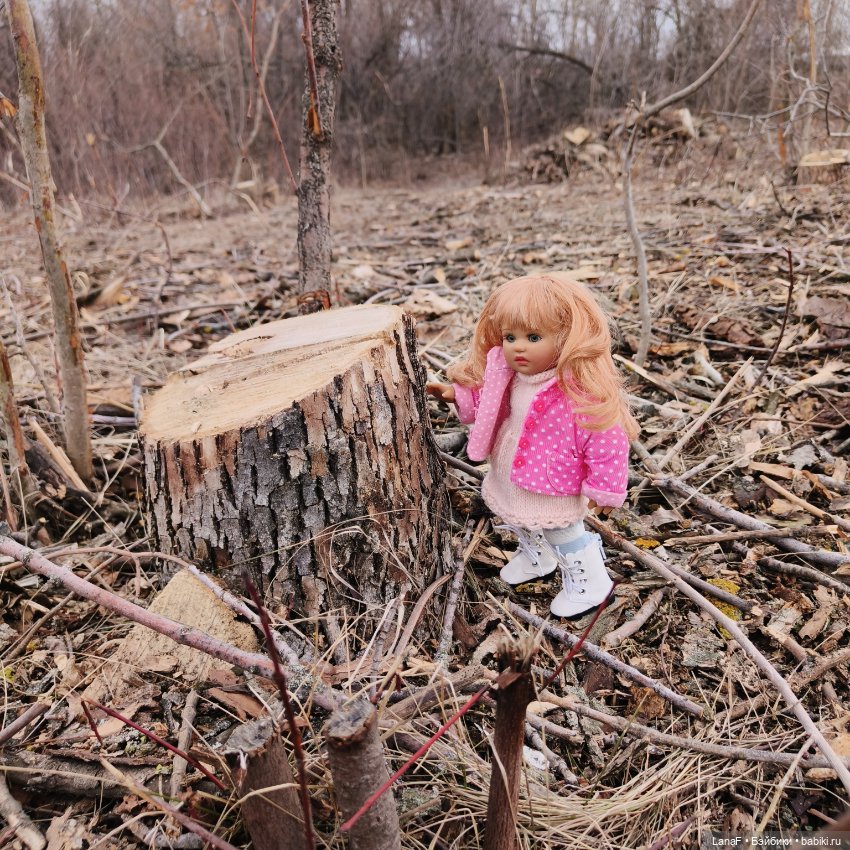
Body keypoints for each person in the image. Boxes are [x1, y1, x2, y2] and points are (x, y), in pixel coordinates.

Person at [427, 273, 638, 618]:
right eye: (510, 336)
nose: (518, 347)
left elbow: (606, 441)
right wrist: (458, 395)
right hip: (511, 467)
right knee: (520, 518)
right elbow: (490, 402)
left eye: (534, 337)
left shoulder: (579, 392)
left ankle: (592, 583)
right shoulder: (508, 374)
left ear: (569, 338)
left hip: (554, 478)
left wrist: (604, 488)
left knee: (561, 529)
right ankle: (536, 556)